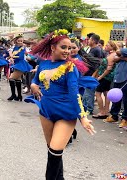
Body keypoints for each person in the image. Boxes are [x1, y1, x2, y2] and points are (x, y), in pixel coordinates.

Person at [25, 29, 96, 179]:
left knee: (55, 151)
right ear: (53, 48)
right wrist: (33, 85)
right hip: (46, 111)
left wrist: (82, 117)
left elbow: (74, 93)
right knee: (53, 152)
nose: (67, 51)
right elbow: (35, 80)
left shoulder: (70, 66)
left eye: (69, 48)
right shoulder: (43, 64)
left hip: (65, 113)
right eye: (63, 47)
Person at [93, 41, 117, 119]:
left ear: (112, 47)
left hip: (105, 78)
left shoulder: (111, 56)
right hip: (108, 78)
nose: (105, 46)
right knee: (107, 94)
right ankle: (106, 111)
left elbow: (108, 69)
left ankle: (102, 112)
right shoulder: (112, 54)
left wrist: (100, 77)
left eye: (107, 45)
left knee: (98, 93)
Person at [103, 48, 127, 128]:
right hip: (118, 77)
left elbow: (118, 52)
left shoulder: (124, 50)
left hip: (125, 78)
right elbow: (115, 58)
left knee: (126, 99)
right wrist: (122, 58)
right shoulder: (124, 51)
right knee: (115, 97)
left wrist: (121, 57)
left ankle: (125, 119)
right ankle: (114, 116)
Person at [7, 34, 32, 101]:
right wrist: (10, 57)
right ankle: (19, 96)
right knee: (17, 80)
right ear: (16, 41)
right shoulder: (15, 47)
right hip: (16, 64)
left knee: (11, 78)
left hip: (21, 64)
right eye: (19, 41)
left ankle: (13, 95)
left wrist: (12, 57)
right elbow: (10, 53)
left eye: (22, 41)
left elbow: (20, 57)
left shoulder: (23, 48)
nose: (21, 42)